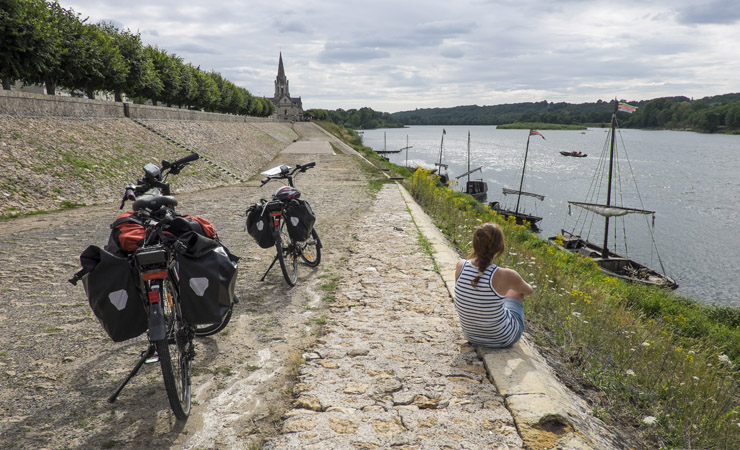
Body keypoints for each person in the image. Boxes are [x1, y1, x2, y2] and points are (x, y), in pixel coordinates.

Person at [453, 222, 533, 347]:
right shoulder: (506, 275)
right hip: (502, 338)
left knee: (498, 294)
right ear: (499, 247)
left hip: (471, 336)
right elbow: (528, 291)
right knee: (516, 291)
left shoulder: (460, 265)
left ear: (474, 243)